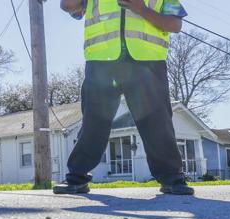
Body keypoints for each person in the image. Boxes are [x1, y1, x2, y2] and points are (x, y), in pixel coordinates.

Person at [56, 0, 193, 196]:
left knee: (157, 122)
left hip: (147, 63)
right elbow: (70, 6)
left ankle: (172, 178)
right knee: (93, 122)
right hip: (102, 62)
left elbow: (175, 24)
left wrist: (142, 9)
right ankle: (77, 177)